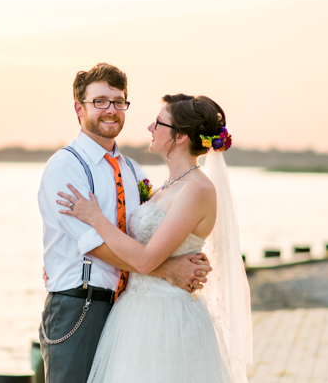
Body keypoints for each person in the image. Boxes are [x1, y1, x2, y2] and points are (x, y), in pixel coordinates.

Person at [58, 93, 253, 383]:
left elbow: (146, 260)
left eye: (159, 123)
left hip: (166, 317)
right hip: (133, 313)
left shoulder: (197, 190)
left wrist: (96, 217)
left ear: (180, 137)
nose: (150, 127)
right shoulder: (166, 187)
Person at [38, 64, 213, 383]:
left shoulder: (134, 172)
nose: (111, 110)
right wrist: (168, 270)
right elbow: (94, 244)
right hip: (80, 306)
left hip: (128, 310)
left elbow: (157, 232)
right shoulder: (65, 168)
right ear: (79, 108)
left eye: (119, 102)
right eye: (100, 101)